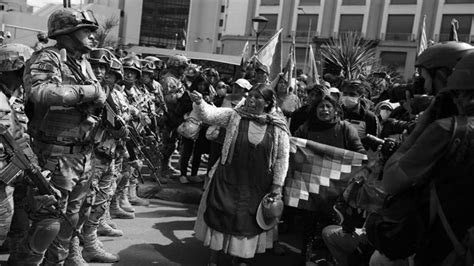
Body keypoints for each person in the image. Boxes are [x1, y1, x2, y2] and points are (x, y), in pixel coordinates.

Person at [15, 8, 107, 265]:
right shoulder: (48, 58)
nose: (92, 36)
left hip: (83, 154)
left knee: (71, 219)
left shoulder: (83, 63)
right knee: (48, 223)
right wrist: (88, 92)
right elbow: (40, 92)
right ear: (66, 31)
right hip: (54, 155)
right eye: (86, 31)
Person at [376, 49, 474, 266]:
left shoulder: (446, 130)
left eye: (425, 78)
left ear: (444, 79)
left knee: (378, 261)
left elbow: (391, 181)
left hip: (444, 247)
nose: (425, 88)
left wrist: (423, 126)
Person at [192, 83, 290, 266]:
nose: (252, 100)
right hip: (228, 177)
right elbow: (209, 115)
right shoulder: (234, 116)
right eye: (250, 95)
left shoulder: (278, 126)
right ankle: (214, 258)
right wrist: (200, 102)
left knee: (246, 221)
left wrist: (277, 186)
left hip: (257, 184)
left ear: (268, 102)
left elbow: (282, 158)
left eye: (258, 97)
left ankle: (238, 257)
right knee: (220, 214)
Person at [294, 94, 365, 262]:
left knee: (331, 225)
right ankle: (306, 258)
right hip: (311, 187)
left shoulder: (345, 128)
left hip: (337, 189)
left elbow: (360, 152)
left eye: (328, 107)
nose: (324, 110)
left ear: (335, 111)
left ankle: (329, 258)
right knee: (309, 226)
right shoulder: (306, 128)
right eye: (321, 107)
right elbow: (294, 145)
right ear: (315, 110)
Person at [0, 43, 33, 262]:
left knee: (16, 224)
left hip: (12, 175)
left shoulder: (16, 96)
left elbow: (19, 134)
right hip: (3, 175)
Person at [159, 54, 189, 177]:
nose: (184, 70)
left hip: (176, 116)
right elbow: (168, 98)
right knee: (164, 145)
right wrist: (183, 97)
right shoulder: (169, 80)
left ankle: (168, 165)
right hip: (168, 116)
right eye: (183, 67)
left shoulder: (178, 79)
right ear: (176, 67)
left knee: (172, 143)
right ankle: (160, 170)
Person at [340, 80, 379, 148]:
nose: (347, 97)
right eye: (345, 93)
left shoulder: (369, 117)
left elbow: (372, 143)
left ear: (361, 96)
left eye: (352, 94)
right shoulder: (336, 113)